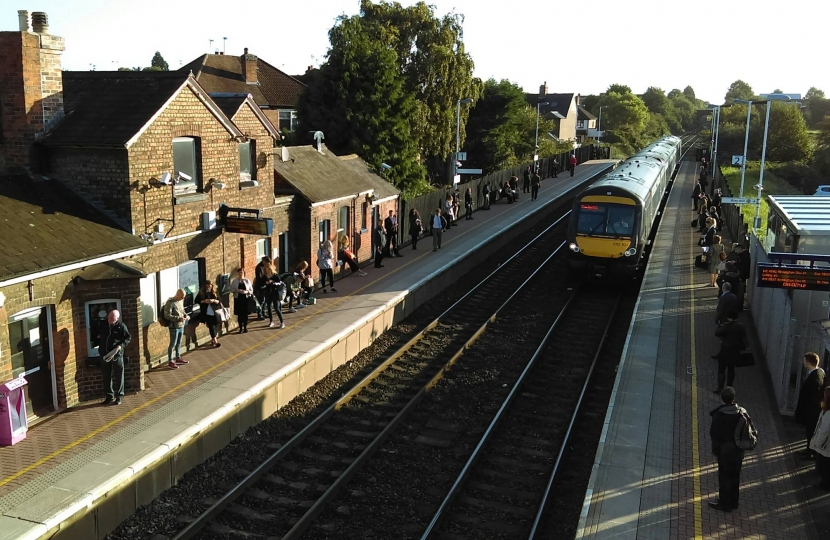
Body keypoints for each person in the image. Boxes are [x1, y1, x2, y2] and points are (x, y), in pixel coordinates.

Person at [709, 387, 750, 511]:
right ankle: (734, 502)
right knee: (735, 476)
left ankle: (724, 503)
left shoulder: (718, 416)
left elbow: (714, 435)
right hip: (738, 450)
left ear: (721, 399)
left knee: (724, 477)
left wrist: (716, 451)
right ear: (734, 399)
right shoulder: (741, 413)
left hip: (725, 451)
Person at [796, 352, 826, 459]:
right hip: (813, 411)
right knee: (810, 432)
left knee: (811, 432)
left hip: (812, 411)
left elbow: (813, 396)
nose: (803, 363)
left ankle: (810, 453)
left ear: (808, 363)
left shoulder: (814, 378)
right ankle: (808, 449)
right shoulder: (820, 372)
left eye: (805, 361)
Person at [98, 309, 131, 405]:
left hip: (116, 355)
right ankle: (109, 396)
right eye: (109, 318)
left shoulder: (121, 326)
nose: (110, 320)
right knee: (106, 376)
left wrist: (121, 346)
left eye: (113, 319)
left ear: (117, 318)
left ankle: (119, 396)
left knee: (119, 375)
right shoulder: (103, 325)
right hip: (104, 354)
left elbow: (128, 338)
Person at [713, 311, 747, 393]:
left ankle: (720, 388)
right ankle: (729, 387)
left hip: (724, 351)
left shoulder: (726, 326)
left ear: (729, 318)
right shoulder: (741, 326)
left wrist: (720, 326)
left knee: (721, 369)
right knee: (731, 369)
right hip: (735, 351)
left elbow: (717, 333)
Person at [163, 289, 190, 369]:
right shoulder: (170, 302)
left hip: (181, 325)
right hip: (174, 326)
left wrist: (186, 315)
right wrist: (178, 318)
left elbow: (182, 311)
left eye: (184, 297)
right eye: (182, 297)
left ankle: (178, 357)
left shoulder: (180, 301)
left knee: (179, 343)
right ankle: (170, 361)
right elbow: (167, 315)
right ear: (177, 294)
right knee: (173, 344)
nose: (183, 298)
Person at [810, 385, 830, 490]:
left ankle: (824, 484)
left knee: (824, 466)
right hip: (826, 446)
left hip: (825, 446)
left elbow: (824, 431)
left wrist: (818, 444)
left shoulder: (828, 413)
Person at [195, 281, 222, 348]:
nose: (208, 287)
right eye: (207, 285)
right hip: (207, 313)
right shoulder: (201, 293)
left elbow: (219, 301)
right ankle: (216, 341)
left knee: (215, 326)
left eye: (210, 285)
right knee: (211, 326)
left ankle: (213, 340)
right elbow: (196, 300)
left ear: (212, 286)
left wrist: (213, 301)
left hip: (215, 312)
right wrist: (204, 301)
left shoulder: (214, 293)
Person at [261, 261, 285, 328]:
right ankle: (271, 321)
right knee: (269, 307)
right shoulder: (264, 277)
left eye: (268, 269)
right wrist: (266, 283)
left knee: (277, 308)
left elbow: (280, 284)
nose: (267, 270)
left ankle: (282, 322)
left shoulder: (275, 276)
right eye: (266, 269)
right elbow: (262, 285)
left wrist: (272, 282)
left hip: (275, 293)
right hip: (268, 293)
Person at [230, 268, 254, 334]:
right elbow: (231, 289)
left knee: (245, 314)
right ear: (238, 273)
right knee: (239, 315)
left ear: (244, 273)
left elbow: (251, 291)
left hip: (245, 299)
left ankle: (245, 328)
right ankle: (240, 328)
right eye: (239, 272)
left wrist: (245, 292)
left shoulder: (247, 281)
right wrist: (236, 290)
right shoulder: (234, 281)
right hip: (238, 299)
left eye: (242, 272)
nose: (241, 274)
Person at [253, 255, 269, 320]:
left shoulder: (264, 267)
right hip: (260, 286)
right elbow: (259, 278)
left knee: (264, 301)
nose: (268, 263)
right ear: (263, 261)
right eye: (267, 262)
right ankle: (260, 314)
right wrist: (265, 279)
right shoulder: (259, 267)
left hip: (264, 286)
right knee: (261, 301)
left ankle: (263, 312)